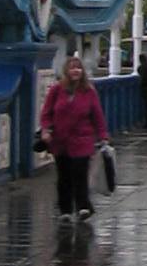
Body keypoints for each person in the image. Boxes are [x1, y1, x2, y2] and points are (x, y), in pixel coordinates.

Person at [40, 54, 109, 220]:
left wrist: (103, 136)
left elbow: (97, 116)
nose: (75, 71)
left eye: (78, 68)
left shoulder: (89, 91)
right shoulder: (57, 90)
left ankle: (82, 206)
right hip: (60, 140)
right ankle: (65, 210)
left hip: (82, 139)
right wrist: (46, 129)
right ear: (66, 71)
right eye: (72, 68)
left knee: (80, 173)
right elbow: (46, 112)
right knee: (63, 176)